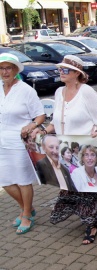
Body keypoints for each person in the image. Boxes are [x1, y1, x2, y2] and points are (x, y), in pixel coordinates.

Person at [30, 55, 97, 245]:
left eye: (65, 70)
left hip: (85, 152)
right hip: (64, 152)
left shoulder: (86, 92)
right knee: (71, 187)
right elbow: (57, 123)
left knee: (86, 189)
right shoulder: (59, 92)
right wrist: (42, 130)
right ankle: (92, 216)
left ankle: (91, 224)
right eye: (60, 69)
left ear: (77, 74)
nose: (61, 72)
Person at [0, 53, 45, 234]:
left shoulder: (26, 90)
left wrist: (31, 124)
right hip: (1, 140)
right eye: (2, 68)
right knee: (5, 181)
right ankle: (28, 208)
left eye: (8, 68)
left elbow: (40, 115)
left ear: (16, 70)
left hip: (20, 142)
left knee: (22, 181)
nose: (5, 72)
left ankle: (26, 214)